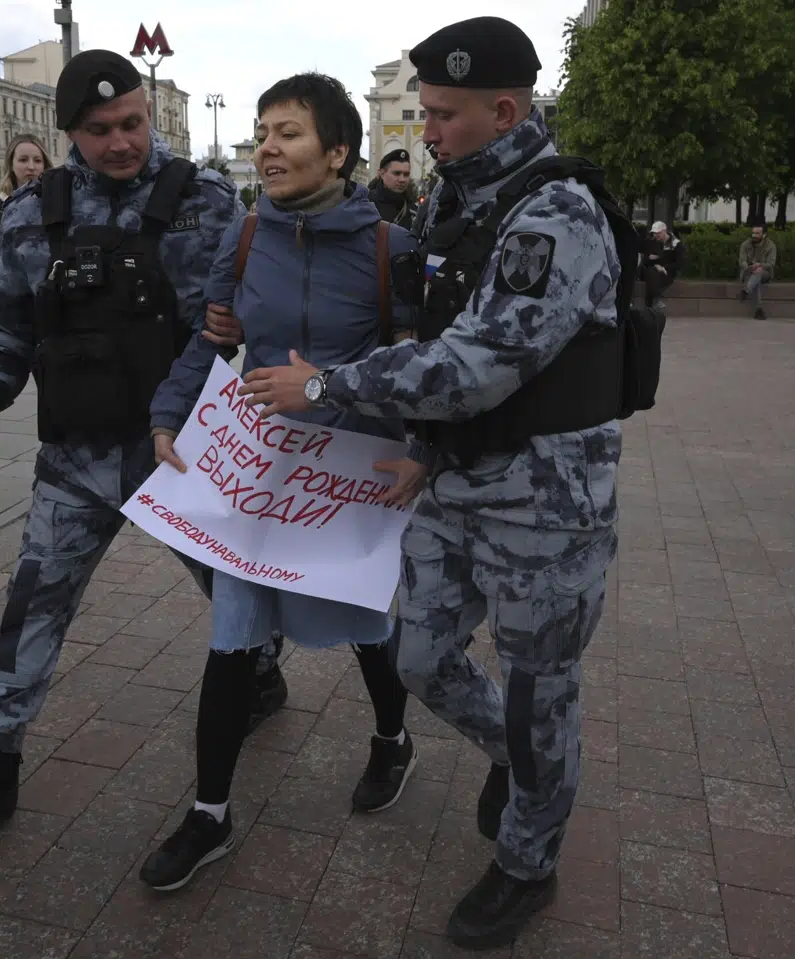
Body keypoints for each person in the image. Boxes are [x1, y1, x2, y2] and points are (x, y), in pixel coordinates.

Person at [236, 17, 623, 949]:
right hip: (458, 478)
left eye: (443, 113)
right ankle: (515, 761)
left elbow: (476, 365)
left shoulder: (555, 214)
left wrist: (325, 387)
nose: (428, 128)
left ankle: (527, 860)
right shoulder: (464, 202)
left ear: (504, 109)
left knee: (541, 691)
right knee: (418, 658)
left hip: (546, 501)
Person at [0, 50, 246, 839]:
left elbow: (254, 310)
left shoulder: (206, 202)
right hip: (76, 458)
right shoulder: (32, 213)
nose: (122, 142)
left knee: (235, 593)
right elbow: (4, 326)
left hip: (178, 454)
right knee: (32, 603)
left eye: (133, 123)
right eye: (99, 130)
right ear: (69, 132)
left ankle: (260, 667)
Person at [140, 73, 426, 892]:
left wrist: (386, 425)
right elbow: (211, 343)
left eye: (290, 132)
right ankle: (210, 812)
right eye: (263, 131)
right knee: (233, 626)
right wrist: (168, 414)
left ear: (338, 151)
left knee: (365, 619)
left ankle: (392, 740)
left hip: (352, 472)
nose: (268, 146)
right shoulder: (242, 237)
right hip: (261, 471)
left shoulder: (389, 249)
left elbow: (414, 367)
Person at [0, 133, 49, 274]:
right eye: (23, 160)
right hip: (9, 289)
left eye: (38, 160)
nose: (31, 166)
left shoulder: (56, 199)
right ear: (11, 163)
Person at [737, 221, 777, 320]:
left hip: (765, 273)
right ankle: (759, 311)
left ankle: (746, 291)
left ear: (764, 235)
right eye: (753, 233)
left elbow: (771, 264)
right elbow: (742, 260)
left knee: (758, 273)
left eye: (757, 233)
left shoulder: (771, 246)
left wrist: (760, 265)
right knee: (756, 282)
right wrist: (748, 266)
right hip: (748, 272)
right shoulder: (745, 244)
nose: (754, 235)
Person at [368, 147, 416, 226]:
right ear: (382, 174)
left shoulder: (413, 211)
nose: (402, 179)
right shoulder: (366, 204)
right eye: (397, 173)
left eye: (406, 174)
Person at [642, 219, 682, 308]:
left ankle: (649, 305)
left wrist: (665, 267)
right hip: (651, 270)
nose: (656, 235)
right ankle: (656, 299)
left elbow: (680, 263)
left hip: (667, 272)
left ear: (664, 231)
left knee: (652, 276)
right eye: (654, 233)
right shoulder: (652, 242)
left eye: (658, 233)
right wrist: (651, 259)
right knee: (651, 273)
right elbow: (645, 261)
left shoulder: (675, 244)